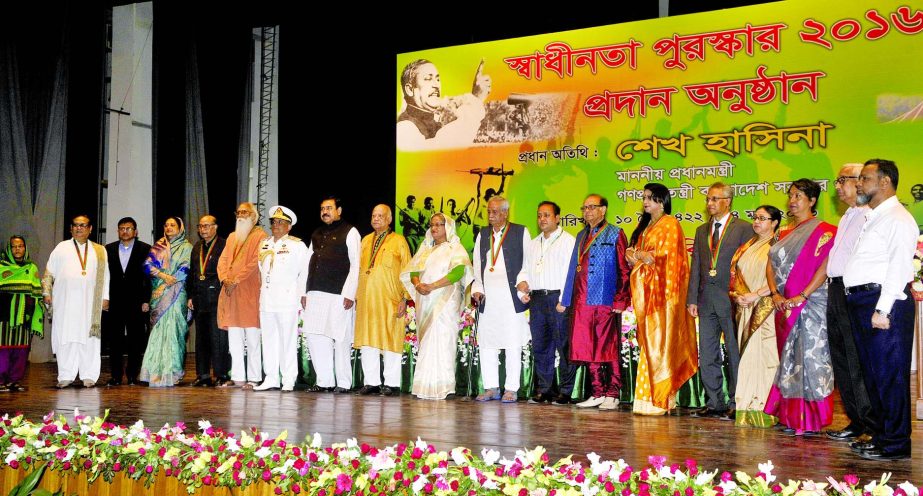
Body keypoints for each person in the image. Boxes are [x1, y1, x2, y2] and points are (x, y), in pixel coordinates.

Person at [844, 159, 917, 461]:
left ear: (885, 182)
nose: (858, 184)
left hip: (883, 303)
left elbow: (900, 268)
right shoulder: (875, 216)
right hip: (863, 301)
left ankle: (896, 445)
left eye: (865, 178)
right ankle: (882, 437)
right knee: (874, 376)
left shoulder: (898, 218)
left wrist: (883, 310)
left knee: (890, 376)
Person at [764, 179, 837, 436]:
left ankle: (812, 420)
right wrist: (774, 294)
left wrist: (803, 295)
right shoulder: (782, 234)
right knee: (789, 361)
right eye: (790, 195)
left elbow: (825, 267)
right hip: (784, 306)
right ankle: (790, 416)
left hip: (811, 304)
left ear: (812, 200)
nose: (792, 201)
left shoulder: (827, 231)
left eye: (798, 196)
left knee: (812, 359)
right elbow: (770, 265)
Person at [626, 184, 698, 415]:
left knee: (660, 345)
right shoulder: (646, 227)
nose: (645, 202)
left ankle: (661, 400)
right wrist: (639, 255)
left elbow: (670, 258)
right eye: (644, 197)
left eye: (650, 198)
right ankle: (645, 400)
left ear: (662, 200)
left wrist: (644, 257)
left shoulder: (670, 224)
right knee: (648, 345)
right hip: (646, 296)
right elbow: (633, 254)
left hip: (664, 297)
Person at [687, 183, 752, 420]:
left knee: (735, 353)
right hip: (705, 300)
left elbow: (748, 265)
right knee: (708, 351)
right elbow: (696, 267)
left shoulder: (744, 228)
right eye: (708, 199)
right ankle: (715, 402)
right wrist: (692, 298)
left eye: (715, 199)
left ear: (728, 201)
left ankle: (737, 401)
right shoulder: (701, 229)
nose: (710, 203)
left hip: (731, 299)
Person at [558, 195, 630, 410]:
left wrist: (620, 299)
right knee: (587, 346)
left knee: (608, 346)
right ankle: (597, 391)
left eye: (592, 207)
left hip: (605, 300)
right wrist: (568, 299)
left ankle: (613, 392)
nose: (587, 211)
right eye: (584, 207)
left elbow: (624, 270)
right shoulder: (581, 235)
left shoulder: (616, 233)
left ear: (603, 210)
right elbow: (574, 270)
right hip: (582, 301)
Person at [824, 165, 878, 442]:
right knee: (842, 359)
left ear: (861, 183)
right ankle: (856, 420)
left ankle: (871, 424)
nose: (838, 186)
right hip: (834, 290)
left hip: (853, 290)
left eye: (843, 180)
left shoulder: (871, 216)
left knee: (856, 358)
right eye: (837, 180)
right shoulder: (848, 216)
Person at [401, 213, 473, 399]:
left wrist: (432, 286)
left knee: (443, 340)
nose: (434, 228)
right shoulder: (425, 248)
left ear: (448, 227)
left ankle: (445, 387)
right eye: (432, 225)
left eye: (439, 225)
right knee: (426, 342)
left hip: (445, 301)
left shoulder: (454, 248)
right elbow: (413, 271)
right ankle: (423, 386)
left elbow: (457, 273)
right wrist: (418, 285)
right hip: (425, 299)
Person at [517, 201, 578, 405]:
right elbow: (524, 270)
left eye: (547, 215)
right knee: (541, 346)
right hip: (537, 300)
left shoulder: (568, 241)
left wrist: (564, 300)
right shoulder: (533, 244)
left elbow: (570, 275)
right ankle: (545, 389)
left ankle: (566, 391)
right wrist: (522, 285)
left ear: (557, 218)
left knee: (564, 346)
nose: (542, 219)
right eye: (539, 215)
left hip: (557, 300)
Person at [472, 196, 531, 403]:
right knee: (487, 344)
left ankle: (511, 389)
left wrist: (523, 283)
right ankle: (490, 387)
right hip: (489, 299)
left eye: (495, 212)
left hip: (510, 298)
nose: (490, 215)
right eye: (489, 211)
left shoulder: (520, 232)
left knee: (512, 343)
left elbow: (526, 263)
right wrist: (477, 288)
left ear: (505, 213)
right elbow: (477, 267)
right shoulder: (483, 234)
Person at [727, 205, 781, 427]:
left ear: (775, 223)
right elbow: (734, 277)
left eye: (762, 218)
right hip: (745, 307)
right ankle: (746, 406)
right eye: (755, 217)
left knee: (765, 358)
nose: (757, 222)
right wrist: (737, 296)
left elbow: (780, 278)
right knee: (747, 360)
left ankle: (765, 408)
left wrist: (756, 294)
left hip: (765, 310)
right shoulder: (746, 247)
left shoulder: (778, 246)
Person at [43, 215, 110, 388]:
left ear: (90, 228)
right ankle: (66, 375)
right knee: (66, 336)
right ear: (71, 228)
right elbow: (49, 273)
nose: (79, 228)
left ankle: (89, 375)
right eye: (76, 225)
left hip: (90, 303)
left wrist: (105, 297)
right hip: (65, 301)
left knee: (90, 338)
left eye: (83, 225)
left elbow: (106, 276)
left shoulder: (100, 250)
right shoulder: (61, 248)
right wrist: (46, 293)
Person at [304, 196, 361, 393]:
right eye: (322, 208)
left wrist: (350, 293)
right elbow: (308, 263)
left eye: (329, 208)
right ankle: (324, 381)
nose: (325, 211)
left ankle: (344, 383)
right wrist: (304, 292)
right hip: (316, 292)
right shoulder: (317, 233)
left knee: (340, 338)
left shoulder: (350, 231)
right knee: (315, 336)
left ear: (339, 210)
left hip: (339, 294)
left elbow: (356, 264)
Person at [354, 205, 412, 396]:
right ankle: (371, 382)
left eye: (380, 216)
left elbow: (407, 271)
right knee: (368, 340)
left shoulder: (399, 241)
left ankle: (392, 384)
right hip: (366, 298)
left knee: (390, 338)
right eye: (373, 215)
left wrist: (404, 297)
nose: (376, 219)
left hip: (390, 299)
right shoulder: (365, 240)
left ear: (389, 219)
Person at [255, 206, 309, 392]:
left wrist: (301, 294)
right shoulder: (264, 243)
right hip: (267, 299)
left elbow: (305, 272)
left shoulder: (297, 245)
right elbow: (261, 272)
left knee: (287, 339)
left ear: (289, 226)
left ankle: (288, 378)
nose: (276, 225)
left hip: (287, 299)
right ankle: (271, 377)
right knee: (269, 339)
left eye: (281, 222)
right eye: (274, 222)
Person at [217, 202, 268, 388]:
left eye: (245, 212)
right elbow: (222, 261)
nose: (241, 215)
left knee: (253, 338)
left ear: (254, 217)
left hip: (249, 292)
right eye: (238, 212)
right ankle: (238, 377)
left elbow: (255, 263)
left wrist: (236, 280)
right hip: (231, 294)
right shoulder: (232, 237)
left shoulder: (261, 236)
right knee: (234, 339)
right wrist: (225, 279)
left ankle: (254, 378)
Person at [139, 217, 192, 387]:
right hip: (159, 293)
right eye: (166, 225)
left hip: (177, 293)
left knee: (174, 331)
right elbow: (147, 265)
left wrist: (173, 279)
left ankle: (173, 372)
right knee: (157, 333)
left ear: (180, 228)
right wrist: (164, 277)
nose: (168, 227)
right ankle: (154, 372)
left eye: (172, 225)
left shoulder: (187, 247)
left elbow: (186, 267)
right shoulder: (158, 246)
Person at [396, 58, 490, 150]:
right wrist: (476, 99)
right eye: (428, 79)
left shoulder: (433, 121)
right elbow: (440, 149)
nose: (436, 85)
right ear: (410, 89)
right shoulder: (403, 127)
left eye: (437, 79)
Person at [103, 217, 151, 387]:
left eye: (129, 228)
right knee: (115, 340)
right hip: (114, 301)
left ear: (135, 231)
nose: (125, 231)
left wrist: (146, 300)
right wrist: (105, 298)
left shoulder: (145, 249)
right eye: (121, 228)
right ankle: (116, 376)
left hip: (136, 302)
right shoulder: (107, 249)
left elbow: (149, 277)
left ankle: (132, 375)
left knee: (135, 341)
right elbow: (104, 276)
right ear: (118, 231)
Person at [186, 215, 228, 387]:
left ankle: (221, 374)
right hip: (199, 298)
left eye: (207, 226)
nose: (203, 229)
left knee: (217, 338)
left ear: (215, 227)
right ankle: (203, 375)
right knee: (201, 339)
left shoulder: (224, 245)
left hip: (217, 297)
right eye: (200, 226)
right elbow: (193, 273)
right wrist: (190, 295)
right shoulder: (196, 247)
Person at [0, 236, 43, 392]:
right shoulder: (1, 267)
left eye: (21, 246)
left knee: (22, 348)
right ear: (9, 250)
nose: (17, 249)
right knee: (3, 349)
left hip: (25, 314)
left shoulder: (31, 268)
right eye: (14, 246)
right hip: (4, 316)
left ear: (25, 248)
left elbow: (37, 291)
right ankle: (1, 381)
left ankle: (14, 380)